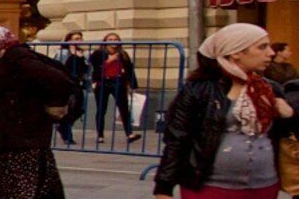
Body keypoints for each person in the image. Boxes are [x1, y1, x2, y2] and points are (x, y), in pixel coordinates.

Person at [151, 22, 291, 199]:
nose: (271, 53)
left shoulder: (270, 89)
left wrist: (290, 115)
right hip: (210, 187)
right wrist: (163, 188)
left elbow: (286, 137)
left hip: (264, 186)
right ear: (236, 52)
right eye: (262, 47)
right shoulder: (200, 90)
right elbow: (178, 139)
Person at [0, 23, 83, 199]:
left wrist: (53, 107)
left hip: (22, 140)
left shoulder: (18, 58)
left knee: (23, 190)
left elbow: (59, 81)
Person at [94, 37, 144, 144]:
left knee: (124, 109)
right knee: (101, 109)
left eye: (116, 39)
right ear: (105, 41)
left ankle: (129, 134)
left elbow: (129, 69)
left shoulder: (123, 54)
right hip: (102, 83)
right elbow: (96, 69)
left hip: (118, 83)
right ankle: (100, 135)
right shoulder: (98, 54)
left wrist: (132, 85)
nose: (113, 41)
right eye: (110, 39)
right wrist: (109, 60)